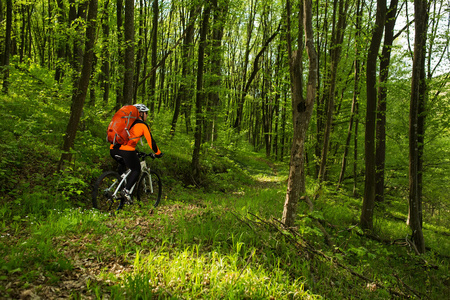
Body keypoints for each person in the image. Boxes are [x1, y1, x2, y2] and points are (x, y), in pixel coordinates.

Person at [110, 104, 163, 206]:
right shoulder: (143, 125)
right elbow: (151, 142)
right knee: (136, 169)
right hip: (127, 151)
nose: (147, 115)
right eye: (146, 113)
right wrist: (158, 153)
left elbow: (127, 140)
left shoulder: (126, 123)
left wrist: (136, 152)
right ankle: (126, 191)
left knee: (125, 166)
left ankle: (121, 189)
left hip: (113, 149)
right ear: (141, 113)